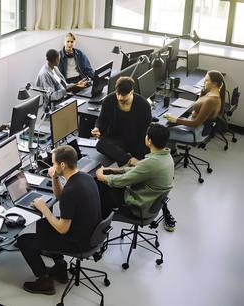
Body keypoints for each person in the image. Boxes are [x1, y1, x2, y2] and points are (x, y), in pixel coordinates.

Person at [16, 145, 102, 295]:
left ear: (62, 165)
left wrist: (44, 209)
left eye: (54, 163)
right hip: (90, 232)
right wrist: (54, 177)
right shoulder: (83, 177)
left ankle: (44, 281)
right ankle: (60, 268)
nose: (52, 165)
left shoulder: (71, 190)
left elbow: (62, 229)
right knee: (43, 224)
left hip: (79, 242)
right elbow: (60, 197)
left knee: (24, 240)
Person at [95, 124, 174, 221]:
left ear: (149, 141)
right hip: (151, 203)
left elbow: (122, 181)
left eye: (146, 135)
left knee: (100, 184)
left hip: (139, 207)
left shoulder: (151, 163)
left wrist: (101, 176)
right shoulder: (167, 157)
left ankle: (102, 221)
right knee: (110, 177)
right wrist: (116, 170)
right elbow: (140, 170)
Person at [92, 76, 152, 166]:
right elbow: (102, 120)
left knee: (145, 153)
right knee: (101, 144)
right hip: (116, 138)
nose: (120, 98)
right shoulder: (109, 100)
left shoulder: (143, 105)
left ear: (132, 92)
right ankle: (129, 160)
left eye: (124, 98)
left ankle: (123, 158)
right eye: (118, 94)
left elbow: (144, 131)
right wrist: (97, 128)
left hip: (136, 139)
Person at [165, 70, 226, 143]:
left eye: (206, 81)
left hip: (195, 132)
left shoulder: (211, 101)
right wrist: (203, 92)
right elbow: (199, 105)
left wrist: (175, 120)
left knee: (162, 132)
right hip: (191, 126)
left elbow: (196, 123)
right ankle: (172, 150)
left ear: (214, 84)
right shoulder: (210, 94)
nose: (204, 82)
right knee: (166, 124)